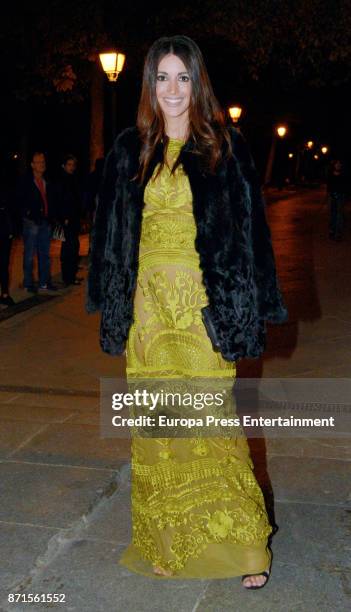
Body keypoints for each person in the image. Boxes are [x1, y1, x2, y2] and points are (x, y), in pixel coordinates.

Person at [87, 35, 288, 589]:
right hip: (149, 313)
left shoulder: (226, 144)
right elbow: (110, 236)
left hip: (203, 309)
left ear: (197, 84)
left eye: (182, 78)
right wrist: (110, 304)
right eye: (161, 78)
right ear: (149, 85)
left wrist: (255, 306)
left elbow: (252, 235)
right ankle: (168, 541)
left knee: (212, 420)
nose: (172, 90)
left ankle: (246, 548)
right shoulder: (130, 148)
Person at [16, 152, 57, 293]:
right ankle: (28, 283)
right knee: (29, 254)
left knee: (45, 254)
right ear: (32, 165)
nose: (42, 164)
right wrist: (27, 213)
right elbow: (19, 200)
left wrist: (51, 217)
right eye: (39, 161)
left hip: (45, 221)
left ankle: (44, 282)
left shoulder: (47, 181)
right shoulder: (26, 181)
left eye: (43, 161)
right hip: (31, 222)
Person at [55, 154, 83, 286]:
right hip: (67, 219)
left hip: (74, 218)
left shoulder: (73, 179)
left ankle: (71, 275)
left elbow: (76, 199)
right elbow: (61, 200)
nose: (72, 167)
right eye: (69, 165)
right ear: (64, 165)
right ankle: (68, 277)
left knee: (73, 247)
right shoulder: (62, 180)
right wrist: (64, 217)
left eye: (73, 165)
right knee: (69, 247)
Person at [0, 179, 15, 306]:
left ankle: (4, 293)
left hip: (4, 230)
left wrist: (11, 229)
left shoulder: (5, 187)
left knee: (4, 264)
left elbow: (10, 208)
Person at [326, 159, 348, 241]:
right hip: (333, 196)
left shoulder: (343, 175)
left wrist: (345, 196)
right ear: (334, 165)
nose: (338, 165)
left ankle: (338, 232)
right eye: (337, 164)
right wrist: (329, 196)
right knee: (333, 213)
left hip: (341, 196)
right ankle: (332, 230)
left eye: (339, 164)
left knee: (339, 214)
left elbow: (345, 187)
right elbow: (329, 187)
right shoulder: (331, 175)